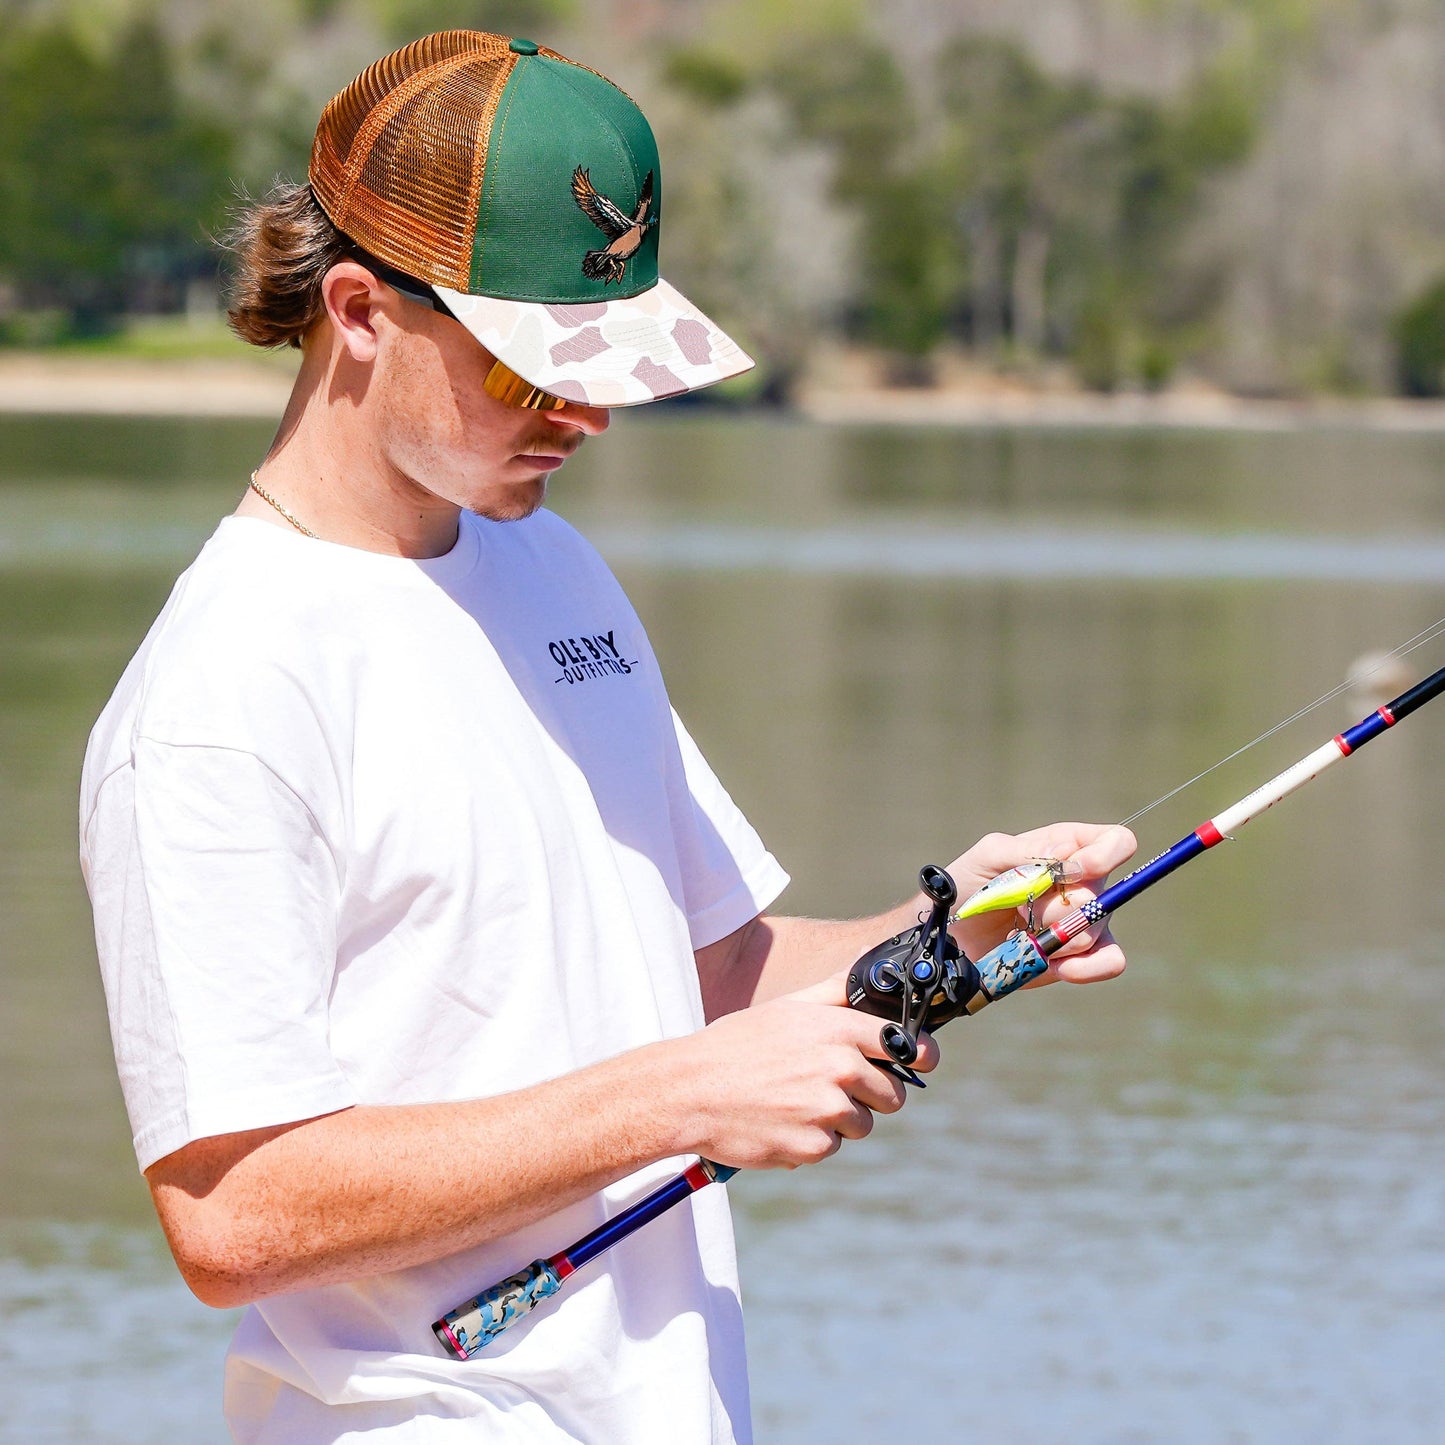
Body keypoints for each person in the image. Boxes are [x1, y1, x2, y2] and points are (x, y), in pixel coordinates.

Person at [78, 29, 1135, 1444]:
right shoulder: (221, 695)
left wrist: (956, 928)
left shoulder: (549, 561)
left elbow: (705, 973)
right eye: (531, 369)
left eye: (609, 363)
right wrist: (679, 1100)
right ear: (359, 310)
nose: (585, 411)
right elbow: (233, 1213)